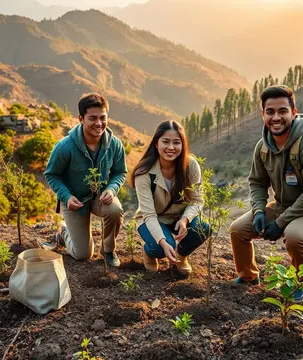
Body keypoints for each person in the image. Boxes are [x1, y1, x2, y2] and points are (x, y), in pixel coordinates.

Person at [229, 85, 303, 301]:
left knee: (295, 236)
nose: (276, 117)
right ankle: (248, 276)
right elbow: (257, 182)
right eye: (270, 112)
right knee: (238, 229)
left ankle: (300, 283)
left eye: (282, 111)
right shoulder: (263, 147)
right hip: (282, 206)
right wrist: (259, 210)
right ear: (263, 114)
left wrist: (280, 223)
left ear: (293, 113)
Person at [42, 93, 126, 266]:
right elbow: (52, 174)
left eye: (103, 117)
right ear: (81, 118)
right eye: (92, 118)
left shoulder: (115, 144)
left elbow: (120, 173)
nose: (99, 123)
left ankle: (108, 250)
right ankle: (64, 233)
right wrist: (66, 197)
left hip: (100, 197)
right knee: (83, 255)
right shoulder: (65, 147)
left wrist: (111, 189)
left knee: (115, 209)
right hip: (74, 201)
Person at [132, 120, 210, 277]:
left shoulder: (191, 165)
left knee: (203, 228)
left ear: (183, 145)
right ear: (156, 143)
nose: (171, 147)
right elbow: (149, 215)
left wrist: (185, 220)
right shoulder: (144, 173)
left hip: (179, 217)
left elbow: (197, 200)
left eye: (176, 142)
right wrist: (162, 241)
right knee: (161, 248)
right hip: (153, 219)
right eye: (165, 142)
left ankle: (181, 257)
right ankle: (150, 252)